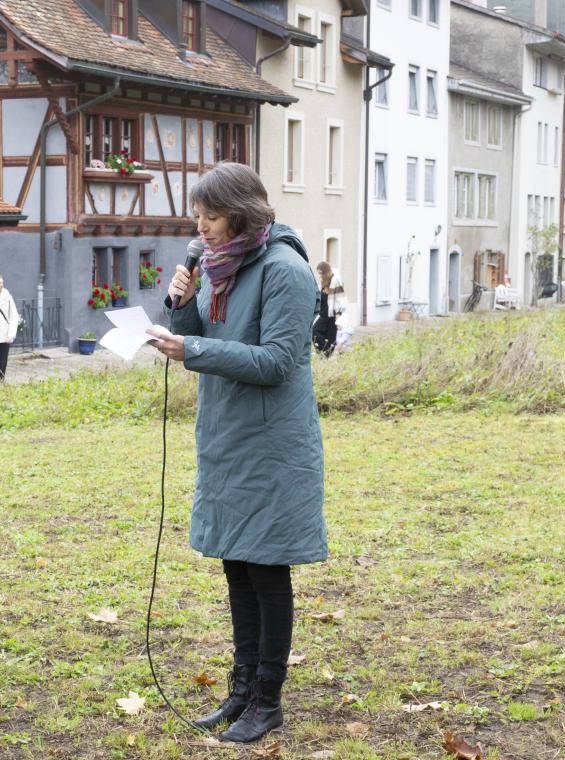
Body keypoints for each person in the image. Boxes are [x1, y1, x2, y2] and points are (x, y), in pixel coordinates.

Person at [146, 162, 326, 744]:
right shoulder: (220, 267)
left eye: (212, 216)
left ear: (242, 215)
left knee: (266, 570)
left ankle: (268, 700)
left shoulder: (285, 270)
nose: (201, 228)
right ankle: (242, 689)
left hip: (271, 446)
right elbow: (206, 337)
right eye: (197, 216)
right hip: (227, 439)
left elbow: (276, 361)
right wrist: (181, 307)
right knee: (237, 567)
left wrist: (192, 348)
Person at [312, 261, 347, 357]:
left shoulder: (335, 280)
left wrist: (338, 314)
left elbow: (340, 298)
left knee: (330, 335)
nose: (320, 275)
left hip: (332, 313)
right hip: (324, 312)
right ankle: (324, 353)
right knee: (316, 331)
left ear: (325, 271)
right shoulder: (324, 281)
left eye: (321, 273)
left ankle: (327, 354)